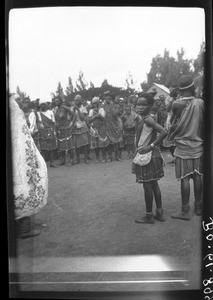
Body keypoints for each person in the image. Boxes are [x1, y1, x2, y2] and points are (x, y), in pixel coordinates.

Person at [9, 94, 48, 238]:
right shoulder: (12, 106)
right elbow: (20, 133)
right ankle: (24, 228)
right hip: (17, 150)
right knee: (24, 182)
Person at [168, 75, 204, 220]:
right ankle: (199, 208)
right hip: (198, 145)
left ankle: (184, 212)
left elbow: (171, 125)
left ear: (181, 90)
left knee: (184, 179)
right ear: (192, 87)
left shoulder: (176, 104)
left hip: (183, 147)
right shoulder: (200, 103)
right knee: (197, 177)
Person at [132, 92, 167, 224]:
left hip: (148, 156)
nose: (140, 107)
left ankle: (148, 216)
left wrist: (150, 146)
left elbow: (164, 132)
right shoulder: (145, 118)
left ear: (150, 105)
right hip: (150, 156)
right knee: (154, 184)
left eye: (144, 104)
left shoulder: (148, 119)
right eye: (138, 104)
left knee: (147, 185)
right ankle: (159, 212)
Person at [54, 96, 76, 166]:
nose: (56, 102)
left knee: (69, 145)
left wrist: (71, 123)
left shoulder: (63, 108)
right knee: (61, 145)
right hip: (60, 129)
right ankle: (63, 160)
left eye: (57, 101)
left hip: (65, 128)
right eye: (55, 101)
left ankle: (72, 160)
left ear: (61, 101)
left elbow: (73, 114)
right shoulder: (57, 109)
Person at [37, 99, 58, 167]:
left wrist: (54, 131)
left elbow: (53, 123)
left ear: (46, 105)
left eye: (44, 104)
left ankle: (52, 163)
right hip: (42, 132)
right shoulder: (37, 113)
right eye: (42, 104)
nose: (43, 106)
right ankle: (43, 164)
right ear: (40, 106)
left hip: (50, 131)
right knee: (43, 149)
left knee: (51, 148)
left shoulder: (50, 112)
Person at [104, 92, 123, 162]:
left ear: (112, 99)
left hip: (115, 126)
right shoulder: (104, 106)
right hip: (107, 126)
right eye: (106, 99)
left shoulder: (116, 106)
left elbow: (115, 114)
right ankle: (110, 157)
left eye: (109, 99)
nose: (107, 100)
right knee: (109, 143)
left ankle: (117, 156)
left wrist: (112, 106)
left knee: (116, 142)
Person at [72, 94, 90, 164]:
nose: (75, 102)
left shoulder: (83, 108)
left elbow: (83, 119)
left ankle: (85, 158)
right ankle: (78, 159)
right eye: (74, 100)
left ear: (80, 101)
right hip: (76, 128)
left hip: (83, 127)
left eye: (77, 100)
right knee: (77, 145)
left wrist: (78, 111)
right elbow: (70, 118)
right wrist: (73, 111)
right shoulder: (72, 108)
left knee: (85, 144)